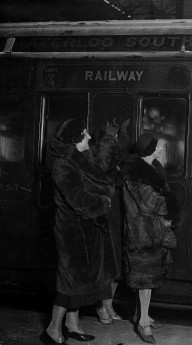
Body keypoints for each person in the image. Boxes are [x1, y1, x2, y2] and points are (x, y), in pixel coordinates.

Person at [41, 118, 120, 345]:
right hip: (72, 232)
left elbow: (97, 180)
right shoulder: (63, 164)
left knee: (77, 282)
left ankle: (72, 325)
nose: (88, 137)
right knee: (69, 282)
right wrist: (104, 202)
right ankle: (53, 327)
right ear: (76, 138)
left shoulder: (80, 158)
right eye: (84, 134)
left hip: (86, 229)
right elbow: (78, 199)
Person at [121, 133, 180, 345]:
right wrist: (171, 204)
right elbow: (152, 202)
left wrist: (168, 210)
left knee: (149, 277)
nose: (161, 149)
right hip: (141, 233)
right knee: (145, 280)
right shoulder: (135, 174)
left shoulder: (153, 167)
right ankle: (143, 323)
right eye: (157, 146)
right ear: (149, 150)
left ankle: (140, 314)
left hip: (152, 230)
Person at [95, 119, 132, 325]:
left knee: (118, 261)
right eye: (112, 138)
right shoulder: (99, 157)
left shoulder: (117, 158)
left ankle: (108, 305)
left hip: (119, 212)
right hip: (108, 213)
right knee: (109, 261)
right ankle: (103, 306)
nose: (115, 142)